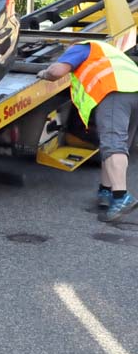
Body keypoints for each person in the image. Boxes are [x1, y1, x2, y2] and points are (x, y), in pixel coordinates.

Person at [37, 40, 138, 222]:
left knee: (113, 145)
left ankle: (121, 196)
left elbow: (57, 71)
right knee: (114, 145)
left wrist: (44, 73)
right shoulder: (108, 52)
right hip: (133, 92)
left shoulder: (80, 48)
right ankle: (106, 191)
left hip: (115, 92)